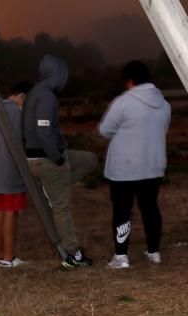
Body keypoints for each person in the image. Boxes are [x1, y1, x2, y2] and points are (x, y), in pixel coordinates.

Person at [22, 55, 98, 268]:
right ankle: (73, 254)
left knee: (88, 159)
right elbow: (43, 132)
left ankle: (55, 189)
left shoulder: (37, 92)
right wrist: (57, 159)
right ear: (57, 74)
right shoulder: (46, 96)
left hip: (46, 155)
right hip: (45, 158)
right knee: (61, 208)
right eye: (64, 73)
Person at [98, 60, 171, 269]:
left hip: (124, 168)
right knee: (150, 208)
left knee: (122, 209)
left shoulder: (123, 102)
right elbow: (162, 131)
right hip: (153, 165)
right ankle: (154, 251)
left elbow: (105, 130)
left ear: (129, 81)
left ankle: (121, 256)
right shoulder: (164, 104)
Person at [0, 80, 32, 267]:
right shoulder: (14, 111)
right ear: (22, 96)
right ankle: (8, 258)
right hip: (10, 169)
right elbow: (22, 140)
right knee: (11, 212)